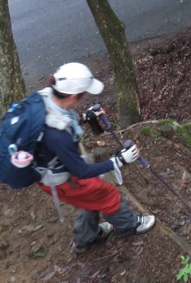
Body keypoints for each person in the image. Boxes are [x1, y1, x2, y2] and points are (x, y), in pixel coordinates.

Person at [33, 62, 156, 253]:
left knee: (90, 199)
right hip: (61, 179)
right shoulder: (57, 136)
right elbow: (82, 172)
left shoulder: (46, 98)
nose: (85, 96)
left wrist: (84, 116)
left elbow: (62, 116)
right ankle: (129, 225)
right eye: (84, 94)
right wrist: (119, 161)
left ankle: (85, 239)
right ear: (74, 95)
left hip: (52, 173)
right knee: (105, 195)